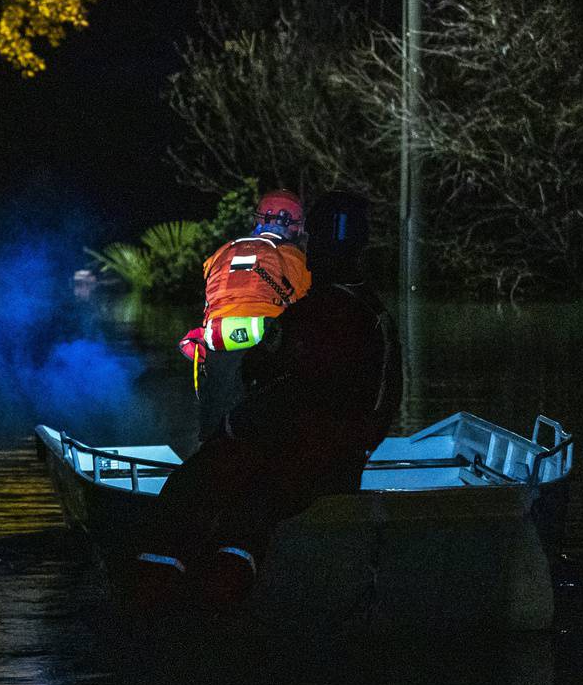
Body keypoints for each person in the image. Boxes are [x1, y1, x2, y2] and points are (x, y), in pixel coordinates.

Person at [137, 191, 402, 608]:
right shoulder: (371, 317)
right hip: (318, 459)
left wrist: (234, 426)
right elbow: (380, 407)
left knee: (200, 494)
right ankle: (200, 596)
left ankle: (170, 605)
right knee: (231, 498)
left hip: (295, 457)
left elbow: (267, 379)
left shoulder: (305, 314)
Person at [177, 188, 311, 445]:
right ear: (297, 226)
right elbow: (306, 308)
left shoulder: (221, 253)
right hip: (268, 340)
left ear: (258, 220)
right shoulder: (296, 259)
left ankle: (212, 456)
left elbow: (211, 296)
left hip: (217, 338)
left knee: (216, 427)